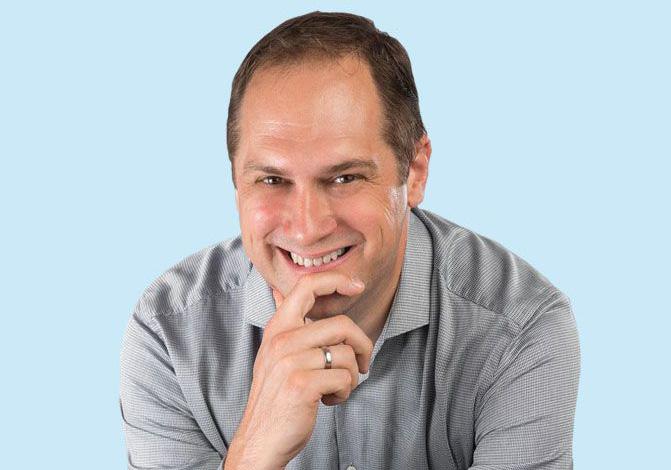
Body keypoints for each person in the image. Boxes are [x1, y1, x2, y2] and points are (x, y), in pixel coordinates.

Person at [119, 11, 580, 470]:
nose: (308, 228)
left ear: (415, 172)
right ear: (236, 182)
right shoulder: (168, 337)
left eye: (345, 177)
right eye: (273, 180)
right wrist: (254, 452)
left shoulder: (521, 331)